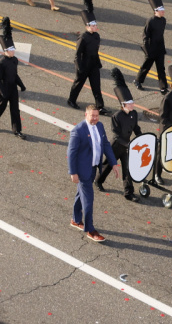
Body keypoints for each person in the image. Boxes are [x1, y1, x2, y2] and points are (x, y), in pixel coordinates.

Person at [66, 103, 110, 243]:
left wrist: (114, 163)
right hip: (82, 171)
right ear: (86, 114)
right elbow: (71, 153)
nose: (95, 118)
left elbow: (105, 144)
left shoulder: (100, 126)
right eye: (93, 116)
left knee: (81, 194)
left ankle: (75, 219)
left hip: (93, 168)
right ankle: (90, 230)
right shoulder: (78, 131)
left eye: (97, 115)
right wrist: (73, 172)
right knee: (88, 200)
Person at [0, 18, 25, 138]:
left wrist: (21, 85)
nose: (14, 51)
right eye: (11, 50)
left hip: (13, 88)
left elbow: (15, 74)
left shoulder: (14, 60)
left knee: (15, 109)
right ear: (6, 50)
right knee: (0, 107)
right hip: (4, 88)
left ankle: (17, 130)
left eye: (14, 49)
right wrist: (2, 92)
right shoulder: (1, 63)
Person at [67, 0, 104, 110]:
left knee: (96, 86)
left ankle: (100, 106)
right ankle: (71, 100)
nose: (95, 26)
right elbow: (77, 54)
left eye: (95, 24)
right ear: (87, 26)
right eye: (93, 25)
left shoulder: (97, 36)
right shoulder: (83, 38)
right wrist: (79, 67)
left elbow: (96, 51)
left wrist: (98, 63)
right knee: (78, 84)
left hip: (93, 65)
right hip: (84, 64)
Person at [135, 0, 167, 91]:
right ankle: (138, 81)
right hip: (151, 48)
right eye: (161, 10)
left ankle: (163, 87)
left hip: (160, 47)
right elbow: (145, 36)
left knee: (161, 68)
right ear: (155, 11)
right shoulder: (150, 21)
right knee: (146, 67)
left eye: (163, 9)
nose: (163, 12)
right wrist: (147, 49)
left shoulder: (163, 20)